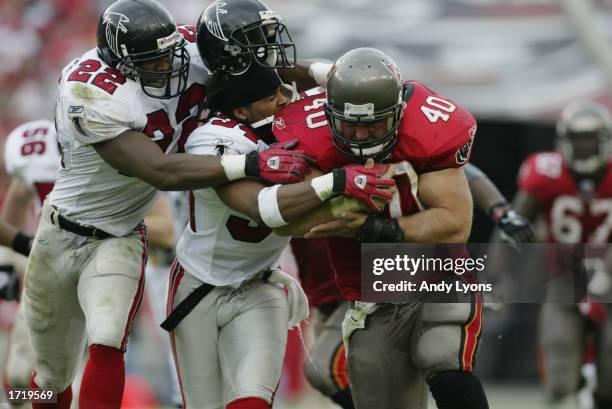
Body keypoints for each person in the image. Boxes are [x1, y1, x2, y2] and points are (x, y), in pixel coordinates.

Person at [21, 1, 311, 408]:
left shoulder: (184, 48)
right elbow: (158, 171)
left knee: (106, 341)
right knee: (48, 375)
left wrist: (324, 74)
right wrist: (250, 162)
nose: (166, 65)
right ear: (120, 62)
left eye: (167, 54)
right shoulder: (88, 91)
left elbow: (257, 60)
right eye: (151, 60)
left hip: (120, 234)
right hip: (60, 230)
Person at [162, 60, 395, 409]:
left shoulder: (292, 125)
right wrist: (333, 183)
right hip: (200, 287)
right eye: (272, 97)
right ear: (241, 109)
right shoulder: (213, 138)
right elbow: (261, 208)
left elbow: (355, 84)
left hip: (260, 283)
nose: (285, 100)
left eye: (283, 91)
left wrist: (320, 72)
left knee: (254, 401)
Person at [268, 47, 490, 409]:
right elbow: (285, 220)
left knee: (442, 356)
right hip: (368, 293)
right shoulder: (308, 135)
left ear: (399, 114)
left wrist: (377, 229)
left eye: (373, 124)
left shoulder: (430, 128)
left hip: (438, 274)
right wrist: (337, 187)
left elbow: (455, 223)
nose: (359, 135)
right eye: (350, 123)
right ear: (328, 114)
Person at [513, 100, 612, 409]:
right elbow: (513, 227)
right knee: (558, 379)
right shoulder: (544, 173)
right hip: (564, 281)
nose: (584, 147)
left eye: (590, 139)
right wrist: (494, 276)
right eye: (578, 139)